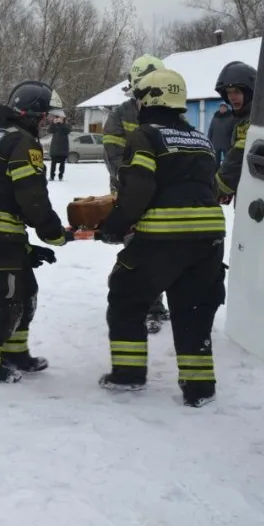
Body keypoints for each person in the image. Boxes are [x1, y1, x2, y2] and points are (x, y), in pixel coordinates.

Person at [96, 68, 225, 408]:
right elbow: (209, 187)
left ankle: (128, 375)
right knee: (194, 309)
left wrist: (115, 225)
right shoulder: (200, 139)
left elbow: (139, 188)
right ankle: (199, 388)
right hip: (209, 239)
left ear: (149, 100)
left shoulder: (145, 136)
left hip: (163, 239)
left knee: (126, 296)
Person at [0, 81, 74, 384]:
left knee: (24, 290)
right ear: (33, 114)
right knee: (3, 298)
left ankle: (14, 352)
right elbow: (31, 196)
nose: (48, 122)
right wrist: (53, 233)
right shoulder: (23, 142)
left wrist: (26, 244)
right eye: (46, 116)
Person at [103, 53, 170, 334]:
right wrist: (135, 185)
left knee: (162, 249)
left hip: (162, 194)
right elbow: (114, 156)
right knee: (137, 247)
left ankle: (157, 301)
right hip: (131, 194)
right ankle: (147, 306)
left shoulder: (168, 115)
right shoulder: (120, 115)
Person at [214, 61, 257, 206]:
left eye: (237, 92)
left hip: (255, 195)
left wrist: (219, 186)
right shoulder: (241, 118)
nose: (232, 97)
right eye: (229, 93)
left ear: (249, 93)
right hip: (247, 192)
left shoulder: (253, 119)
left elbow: (239, 155)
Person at [47, 110, 71, 180]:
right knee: (53, 164)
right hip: (54, 148)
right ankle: (52, 176)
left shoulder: (66, 125)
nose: (58, 119)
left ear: (63, 118)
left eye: (60, 118)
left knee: (62, 164)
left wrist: (63, 123)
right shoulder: (54, 125)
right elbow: (49, 131)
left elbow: (68, 131)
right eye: (58, 117)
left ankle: (60, 176)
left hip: (63, 148)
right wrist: (53, 123)